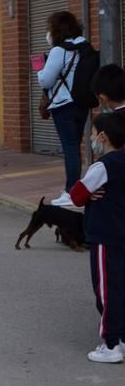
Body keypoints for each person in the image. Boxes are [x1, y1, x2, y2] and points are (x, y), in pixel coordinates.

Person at [65, 111, 125, 363]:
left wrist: (88, 191)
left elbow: (76, 195)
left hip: (105, 235)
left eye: (91, 134)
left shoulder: (103, 165)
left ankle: (112, 344)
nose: (90, 138)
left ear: (102, 136)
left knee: (107, 289)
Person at [39, 11, 94, 207]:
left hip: (63, 105)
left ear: (56, 29)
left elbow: (45, 79)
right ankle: (72, 189)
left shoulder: (59, 50)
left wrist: (39, 69)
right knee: (74, 148)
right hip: (81, 104)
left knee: (70, 149)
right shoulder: (84, 46)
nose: (47, 32)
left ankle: (71, 192)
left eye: (49, 28)